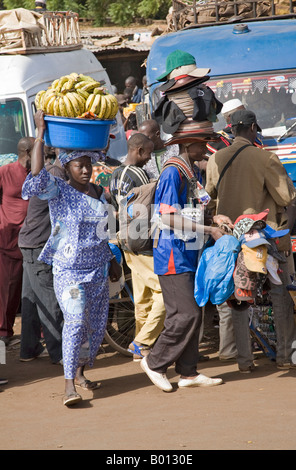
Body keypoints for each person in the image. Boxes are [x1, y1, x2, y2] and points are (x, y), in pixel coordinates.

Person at [22, 110, 122, 406]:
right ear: (67, 167)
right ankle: (68, 385)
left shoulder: (98, 192)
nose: (85, 170)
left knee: (92, 326)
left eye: (88, 165)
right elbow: (37, 177)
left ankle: (78, 372)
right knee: (75, 321)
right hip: (70, 273)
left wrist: (112, 260)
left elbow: (105, 231)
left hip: (97, 270)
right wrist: (41, 134)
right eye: (79, 166)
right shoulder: (59, 192)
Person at [205, 109, 296, 371]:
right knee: (281, 297)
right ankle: (285, 358)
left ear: (232, 129)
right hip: (266, 242)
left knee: (240, 298)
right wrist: (286, 232)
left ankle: (244, 362)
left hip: (232, 241)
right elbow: (288, 198)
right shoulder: (265, 158)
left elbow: (209, 197)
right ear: (254, 128)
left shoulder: (217, 159)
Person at [140, 132, 226, 392]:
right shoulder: (172, 173)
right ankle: (154, 362)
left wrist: (215, 220)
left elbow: (196, 212)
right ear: (188, 145)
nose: (206, 150)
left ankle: (188, 373)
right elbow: (167, 217)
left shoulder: (192, 173)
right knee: (185, 314)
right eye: (202, 145)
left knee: (193, 313)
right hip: (171, 254)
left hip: (189, 254)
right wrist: (209, 230)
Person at [109, 133, 167, 361]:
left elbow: (115, 209)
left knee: (142, 299)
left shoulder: (114, 175)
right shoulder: (140, 174)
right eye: (148, 153)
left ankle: (140, 350)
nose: (149, 158)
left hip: (124, 240)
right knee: (164, 293)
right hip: (142, 241)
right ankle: (142, 342)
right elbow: (150, 206)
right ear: (139, 150)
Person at [18, 149, 66, 364]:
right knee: (49, 301)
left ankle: (29, 348)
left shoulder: (53, 170)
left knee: (31, 299)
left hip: (30, 242)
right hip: (38, 246)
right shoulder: (56, 174)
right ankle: (60, 354)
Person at [0, 137, 34, 345]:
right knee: (7, 291)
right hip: (8, 242)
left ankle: (34, 339)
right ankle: (4, 334)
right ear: (28, 152)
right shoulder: (5, 172)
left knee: (33, 292)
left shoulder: (38, 175)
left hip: (33, 243)